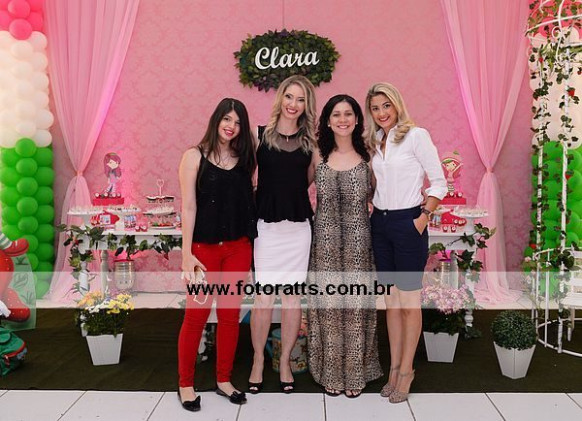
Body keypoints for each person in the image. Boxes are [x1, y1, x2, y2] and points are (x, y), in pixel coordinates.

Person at [365, 83, 447, 403]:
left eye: (386, 105)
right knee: (391, 302)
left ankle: (407, 371)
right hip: (380, 224)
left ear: (397, 104)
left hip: (408, 223)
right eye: (375, 108)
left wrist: (423, 217)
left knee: (409, 303)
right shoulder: (375, 141)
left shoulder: (416, 136)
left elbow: (438, 182)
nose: (382, 113)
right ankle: (394, 368)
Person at [177, 98, 257, 412]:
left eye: (237, 122)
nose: (231, 126)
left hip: (238, 249)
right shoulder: (193, 156)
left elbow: (246, 205)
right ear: (216, 120)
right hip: (203, 251)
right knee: (196, 317)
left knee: (229, 316)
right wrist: (186, 254)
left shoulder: (244, 158)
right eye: (227, 119)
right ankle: (186, 384)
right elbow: (188, 207)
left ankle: (223, 379)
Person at [307, 94, 383, 398]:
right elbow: (294, 189)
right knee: (327, 308)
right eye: (336, 114)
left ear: (357, 119)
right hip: (324, 246)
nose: (342, 119)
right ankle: (329, 373)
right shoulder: (317, 154)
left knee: (356, 309)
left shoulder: (369, 155)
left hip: (358, 245)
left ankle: (356, 373)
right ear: (327, 121)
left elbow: (382, 194)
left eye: (348, 114)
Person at [248, 75, 317, 394]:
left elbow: (309, 180)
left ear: (307, 105)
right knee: (263, 298)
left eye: (300, 99)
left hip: (298, 229)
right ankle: (258, 362)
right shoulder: (259, 135)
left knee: (291, 298)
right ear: (280, 99)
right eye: (289, 96)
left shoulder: (311, 142)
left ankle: (286, 362)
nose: (293, 104)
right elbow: (244, 176)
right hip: (266, 226)